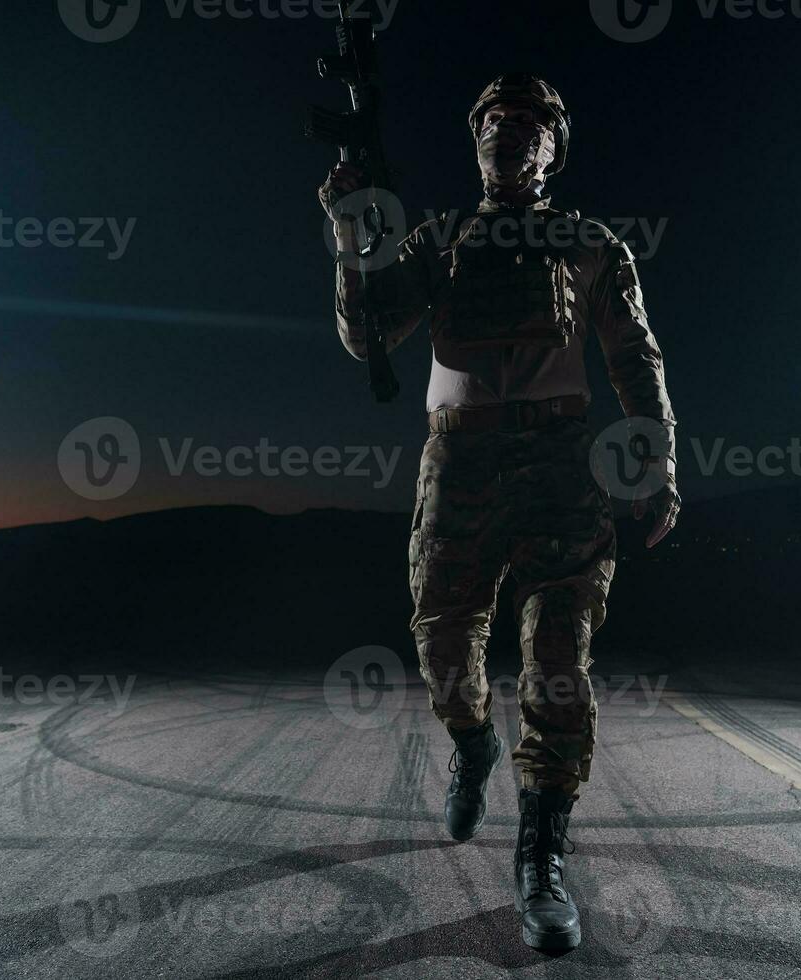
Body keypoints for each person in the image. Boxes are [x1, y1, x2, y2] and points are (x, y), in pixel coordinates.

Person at [318, 73, 679, 952]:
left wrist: (657, 460)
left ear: (555, 146)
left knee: (558, 657)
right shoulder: (439, 243)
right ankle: (472, 741)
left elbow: (635, 357)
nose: (506, 135)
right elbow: (370, 336)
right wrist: (352, 236)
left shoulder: (592, 245)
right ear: (472, 138)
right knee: (444, 647)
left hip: (560, 464)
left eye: (527, 124)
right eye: (490, 121)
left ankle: (540, 858)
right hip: (460, 458)